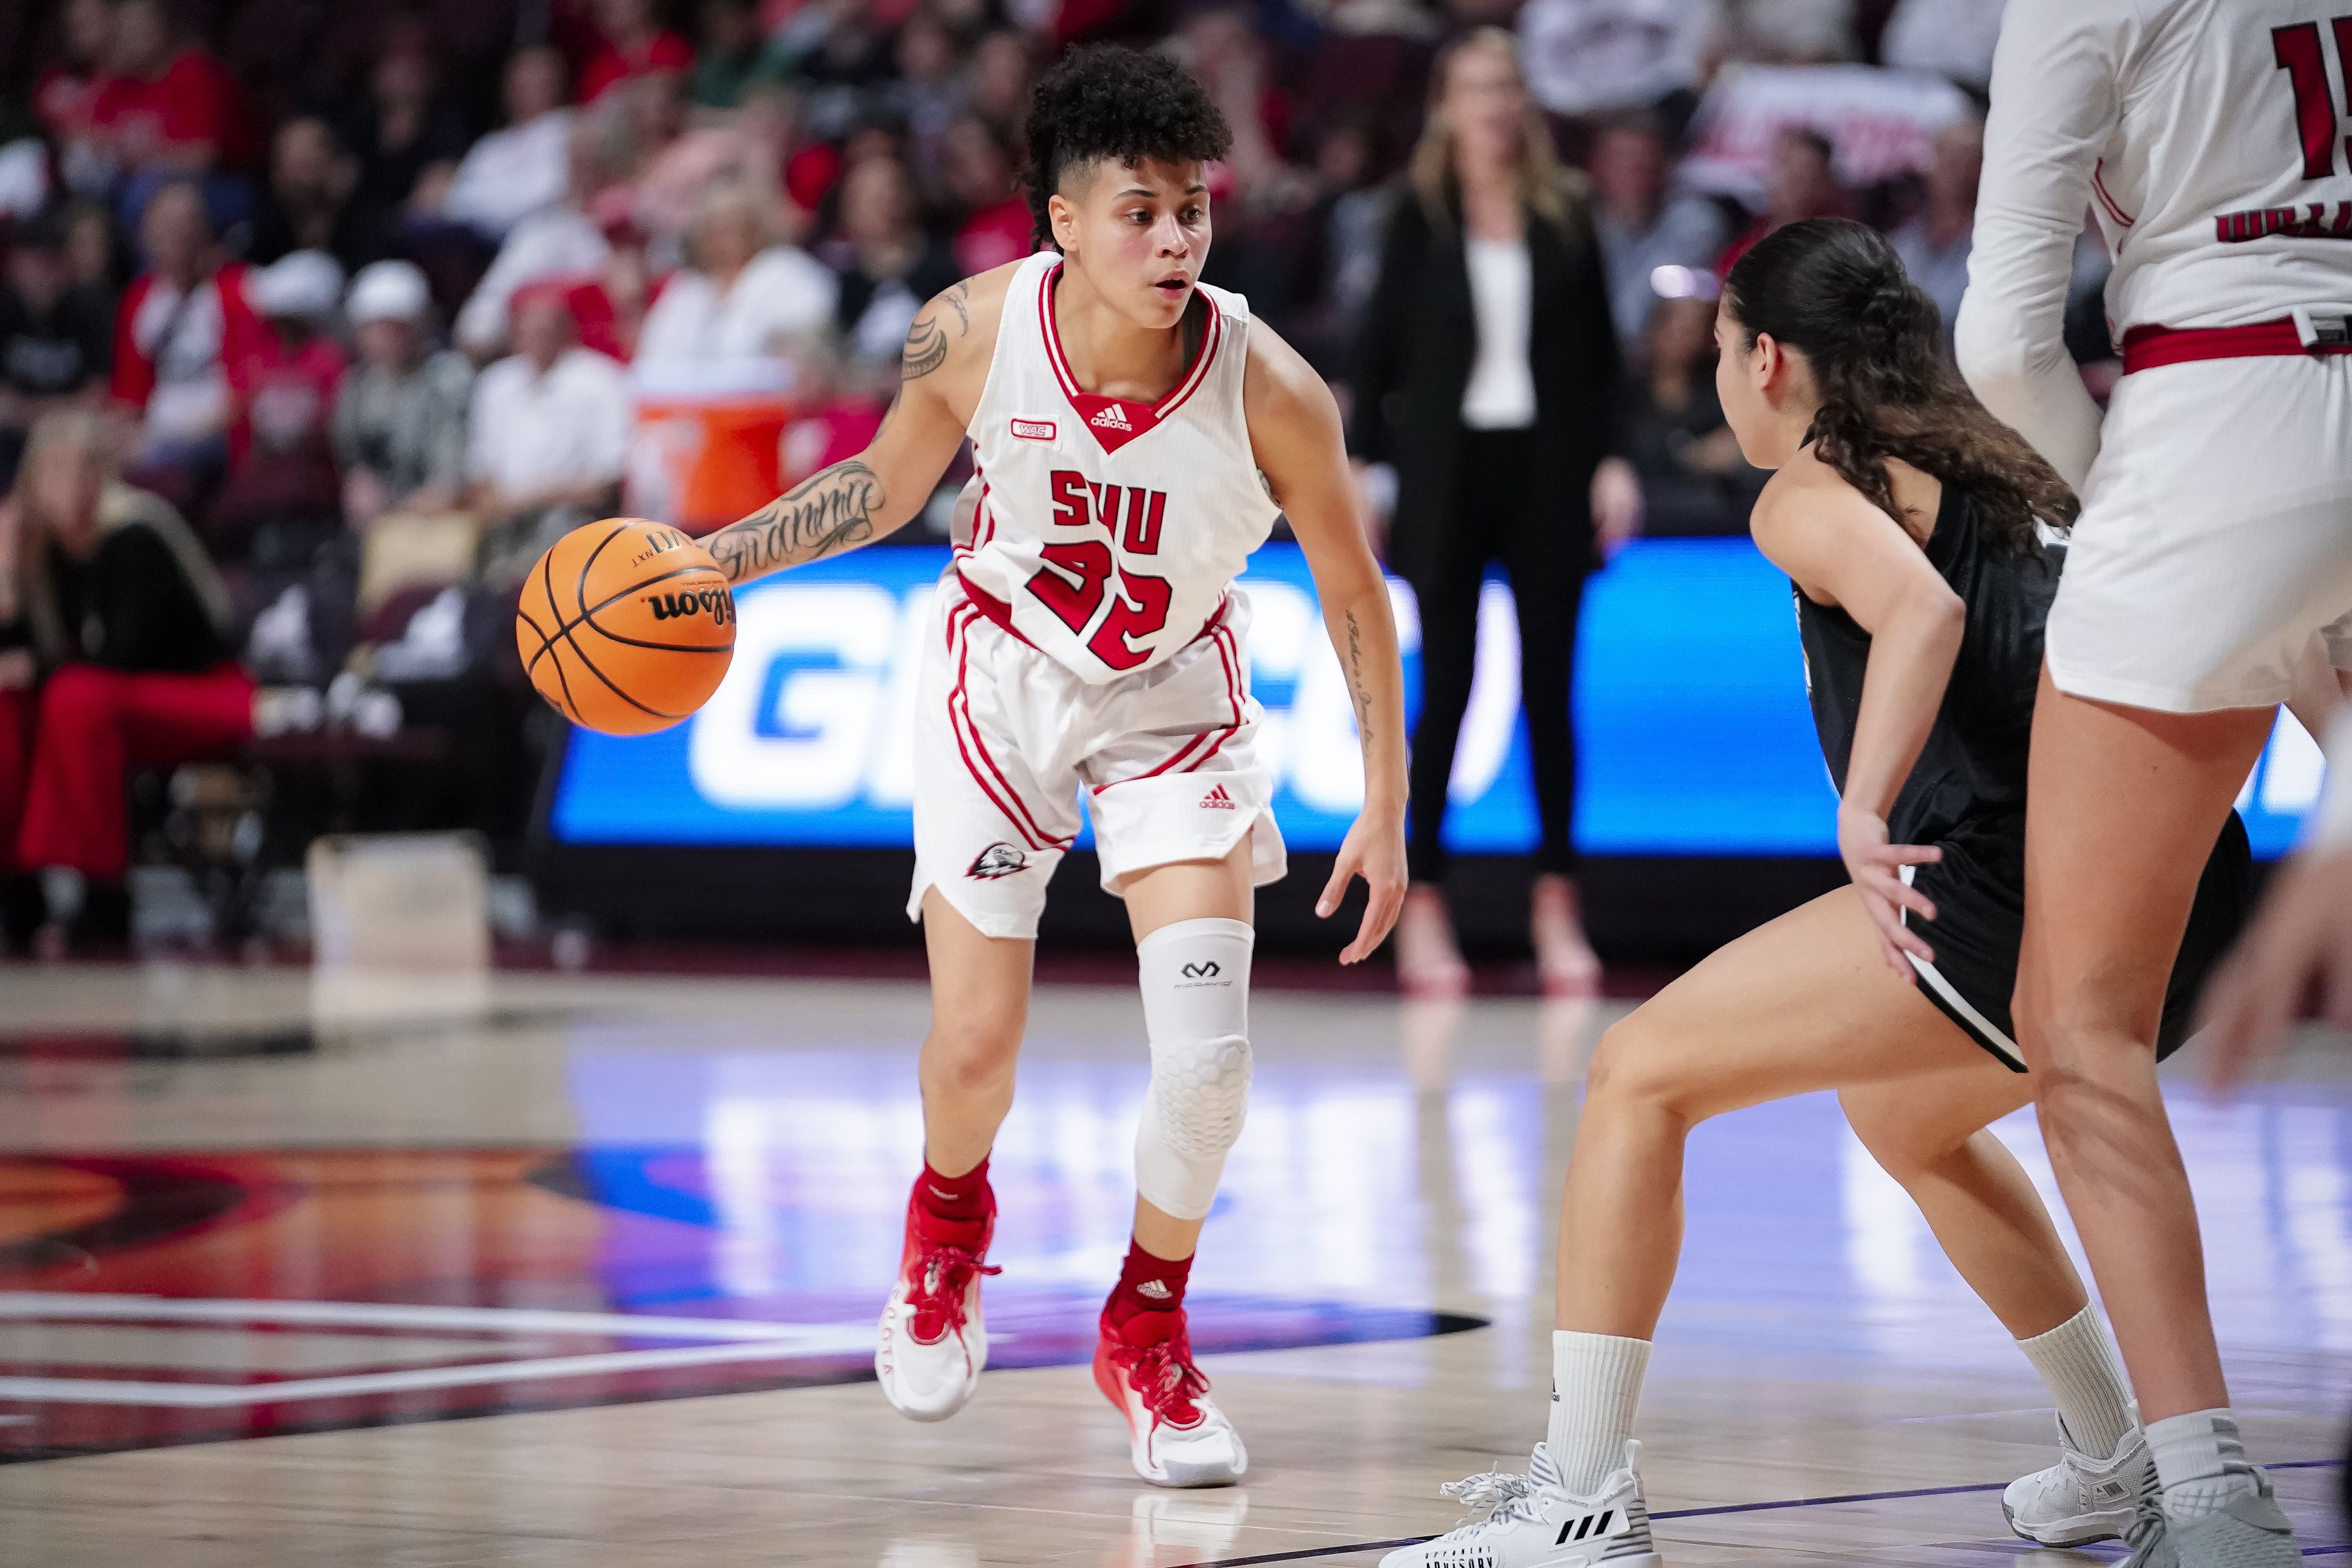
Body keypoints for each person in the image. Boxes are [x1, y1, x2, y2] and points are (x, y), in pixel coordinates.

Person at [1384, 216, 2257, 1568]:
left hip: (2019, 886)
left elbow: (1923, 615)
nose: (1715, 375)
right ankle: (2116, 1456)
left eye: (1722, 345)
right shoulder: (1996, 454)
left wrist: (1858, 807)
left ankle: (1578, 1499)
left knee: (1633, 1076)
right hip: (2191, 880)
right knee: (1906, 1116)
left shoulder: (1801, 491)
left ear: (1770, 359)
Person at [692, 44, 1407, 1486]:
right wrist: (713, 560)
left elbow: (1350, 594)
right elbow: (882, 491)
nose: (1174, 240)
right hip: (1000, 680)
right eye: (1138, 212)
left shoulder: (1274, 388)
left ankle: (1145, 1327)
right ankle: (946, 1228)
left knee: (1206, 1069)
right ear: (1062, 224)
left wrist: (1386, 804)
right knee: (975, 1047)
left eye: (1192, 210)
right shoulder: (964, 330)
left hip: (1174, 698)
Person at [1955, 0, 2352, 1558]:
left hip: (2212, 426)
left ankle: (2209, 1492)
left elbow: (2000, 337)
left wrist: (2114, 494)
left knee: (2080, 1021)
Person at [1349, 29, 1638, 998]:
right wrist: (1364, 467)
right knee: (1451, 689)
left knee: (1553, 696)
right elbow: (1377, 354)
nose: (1493, 103)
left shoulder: (1564, 212)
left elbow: (1603, 358)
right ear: (1446, 101)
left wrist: (1613, 460)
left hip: (1548, 466)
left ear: (1524, 100)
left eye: (1506, 85)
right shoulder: (1416, 215)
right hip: (1445, 472)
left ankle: (1558, 899)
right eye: (1474, 86)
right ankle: (1421, 898)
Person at [2, 409, 250, 952]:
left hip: (206, 693)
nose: (65, 486)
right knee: (14, 704)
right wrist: (8, 576)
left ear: (101, 475)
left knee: (73, 698)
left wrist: (37, 668)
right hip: (110, 701)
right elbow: (27, 650)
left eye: (78, 470)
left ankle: (104, 894)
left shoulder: (136, 532)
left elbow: (121, 655)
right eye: (51, 472)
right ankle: (19, 890)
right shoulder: (46, 555)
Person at [465, 285, 630, 585]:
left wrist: (531, 498)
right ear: (514, 334)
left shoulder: (602, 381)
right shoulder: (495, 384)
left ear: (568, 331)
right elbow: (481, 477)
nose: (538, 338)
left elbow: (607, 484)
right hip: (506, 524)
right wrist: (499, 508)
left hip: (574, 522)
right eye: (529, 330)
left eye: (547, 329)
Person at [634, 177, 836, 364]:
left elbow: (805, 341)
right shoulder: (689, 288)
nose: (727, 237)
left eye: (737, 223)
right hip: (691, 398)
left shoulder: (788, 270)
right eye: (717, 226)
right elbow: (656, 350)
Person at [333, 260, 474, 528]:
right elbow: (354, 458)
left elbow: (449, 479)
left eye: (396, 327)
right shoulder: (357, 386)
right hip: (380, 521)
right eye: (375, 328)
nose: (385, 338)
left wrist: (404, 504)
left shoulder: (448, 377)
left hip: (438, 518)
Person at [1588, 111, 1729, 354]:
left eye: (1645, 159)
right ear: (1597, 165)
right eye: (1622, 158)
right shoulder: (1577, 222)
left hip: (1660, 361)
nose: (1634, 170)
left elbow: (1645, 307)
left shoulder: (1695, 222)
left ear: (1666, 165)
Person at [0, 209, 113, 492]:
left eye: (51, 262)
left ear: (66, 264)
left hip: (76, 436)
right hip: (13, 439)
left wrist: (27, 413)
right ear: (14, 266)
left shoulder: (93, 308)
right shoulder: (5, 310)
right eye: (32, 262)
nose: (41, 273)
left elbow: (98, 399)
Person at [439, 46, 576, 242]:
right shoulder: (489, 145)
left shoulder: (568, 128)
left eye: (537, 83)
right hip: (479, 244)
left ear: (557, 85)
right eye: (521, 83)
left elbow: (546, 193)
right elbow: (454, 202)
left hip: (545, 236)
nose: (526, 92)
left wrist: (483, 201)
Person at [1889, 116, 1982, 359]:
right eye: (1945, 158)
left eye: (1965, 160)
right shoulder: (1902, 244)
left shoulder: (1994, 248)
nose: (1953, 169)